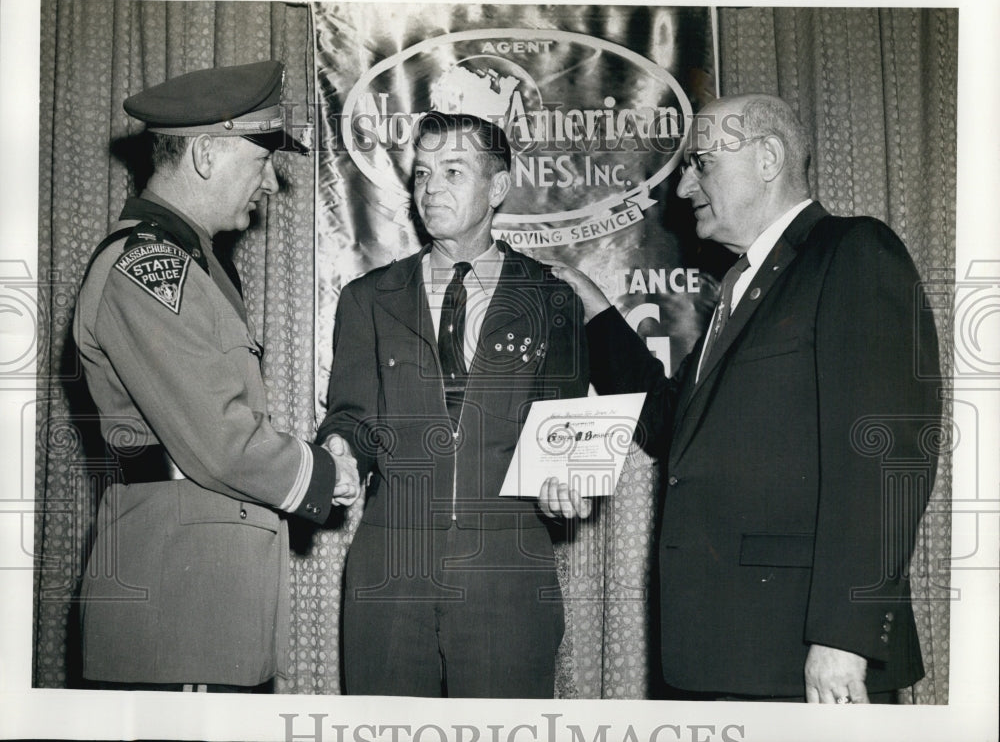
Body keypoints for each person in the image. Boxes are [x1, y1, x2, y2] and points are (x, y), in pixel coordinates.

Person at [541, 93, 942, 703]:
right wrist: (598, 314)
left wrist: (843, 638)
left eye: (701, 163)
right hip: (723, 652)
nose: (682, 188)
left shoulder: (851, 251)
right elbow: (670, 423)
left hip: (805, 655)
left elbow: (889, 457)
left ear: (768, 158)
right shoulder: (741, 286)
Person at [73, 61, 360, 692]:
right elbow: (221, 440)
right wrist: (325, 473)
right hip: (178, 607)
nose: (271, 184)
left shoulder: (190, 265)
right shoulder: (148, 268)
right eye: (262, 160)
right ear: (205, 155)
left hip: (202, 596)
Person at [317, 111, 589, 698]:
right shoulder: (368, 298)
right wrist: (340, 448)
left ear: (498, 187)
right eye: (422, 173)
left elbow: (563, 430)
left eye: (453, 171)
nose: (431, 188)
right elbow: (351, 417)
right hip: (390, 569)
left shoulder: (554, 300)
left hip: (508, 572)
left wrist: (566, 480)